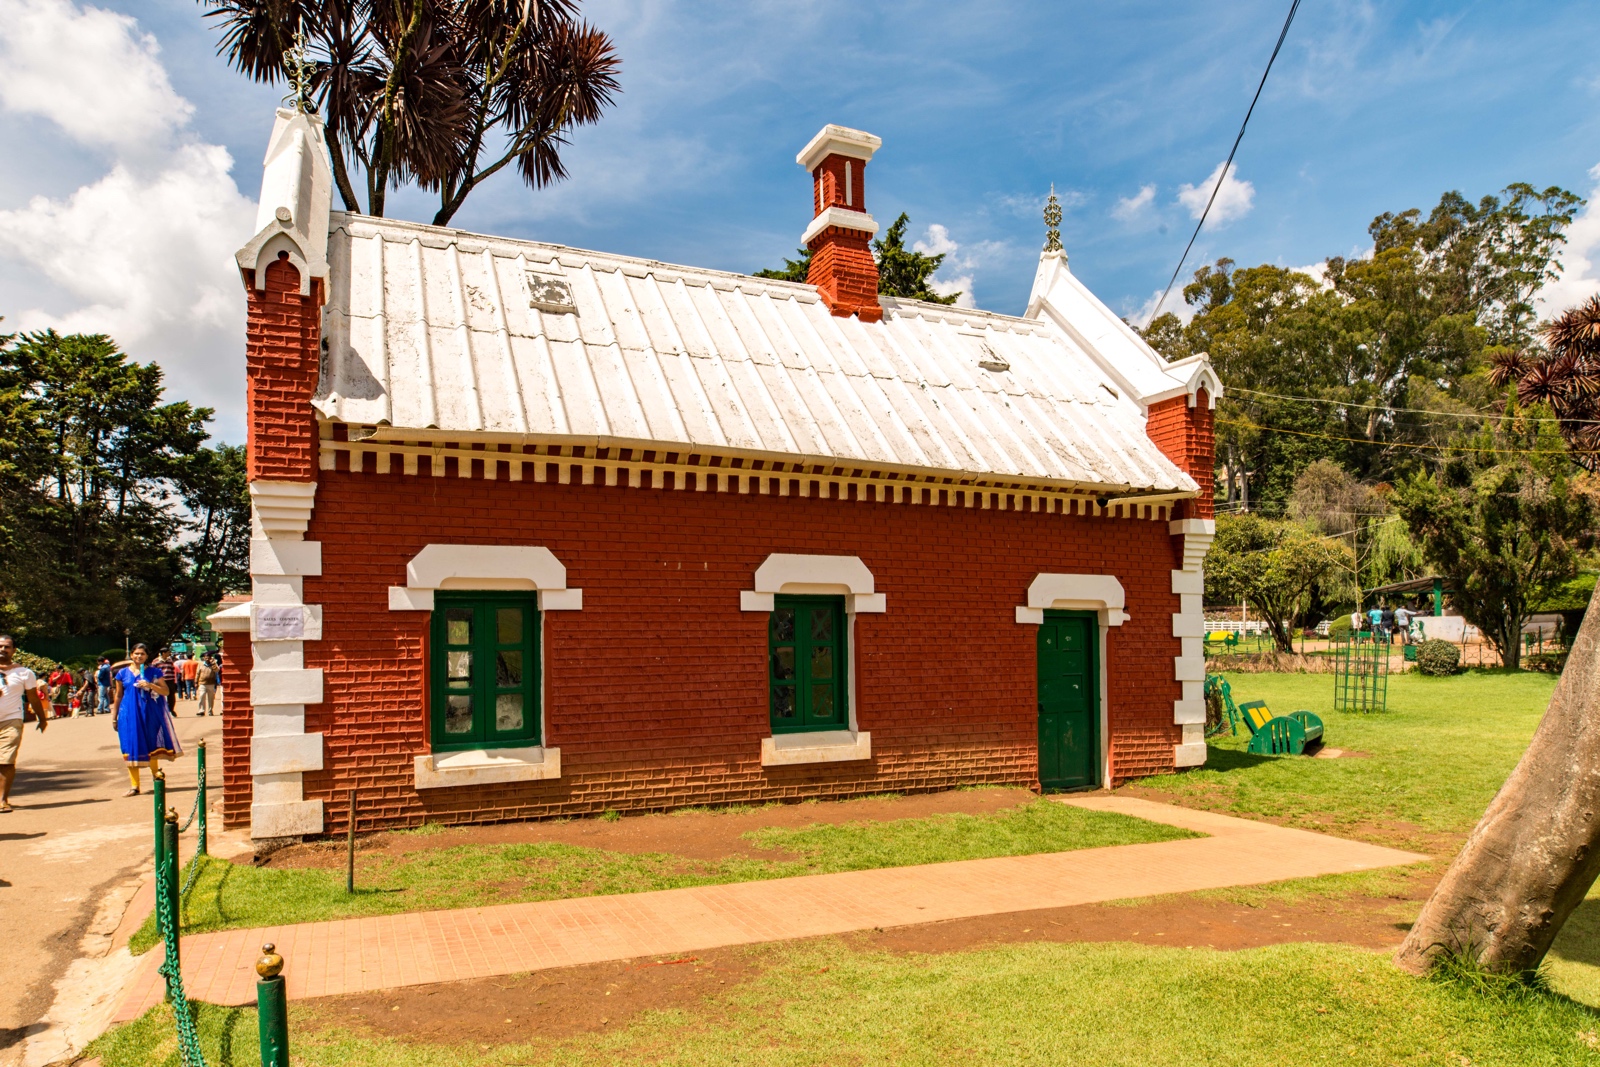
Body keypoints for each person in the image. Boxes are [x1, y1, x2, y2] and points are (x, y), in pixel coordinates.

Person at [112, 643, 180, 796]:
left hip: (149, 712)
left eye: (142, 654)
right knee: (130, 746)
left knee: (151, 744)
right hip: (128, 714)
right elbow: (118, 695)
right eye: (136, 653)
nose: (139, 656)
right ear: (131, 655)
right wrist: (114, 716)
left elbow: (166, 691)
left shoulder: (155, 672)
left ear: (147, 656)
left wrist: (150, 685)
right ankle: (134, 786)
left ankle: (157, 777)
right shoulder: (122, 673)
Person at [0, 634, 49, 812]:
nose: (2, 649)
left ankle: (2, 799)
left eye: (6, 646)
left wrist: (42, 718)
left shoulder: (24, 673)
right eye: (0, 646)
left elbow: (33, 698)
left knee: (6, 760)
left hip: (11, 720)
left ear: (13, 650)